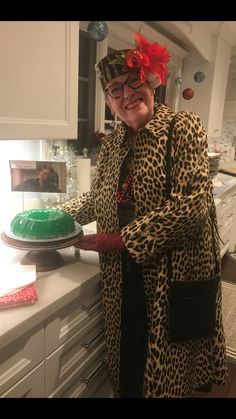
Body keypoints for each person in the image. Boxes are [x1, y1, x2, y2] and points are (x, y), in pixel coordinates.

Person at [58, 32, 228, 398]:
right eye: (115, 89)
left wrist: (119, 240)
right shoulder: (116, 140)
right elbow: (97, 198)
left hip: (173, 268)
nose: (127, 94)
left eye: (133, 82)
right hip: (123, 271)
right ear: (108, 100)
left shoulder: (182, 127)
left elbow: (192, 204)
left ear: (149, 81)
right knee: (131, 354)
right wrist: (53, 217)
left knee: (168, 361)